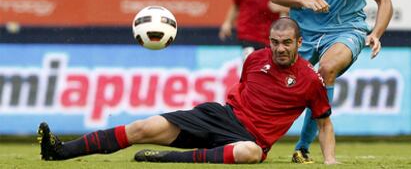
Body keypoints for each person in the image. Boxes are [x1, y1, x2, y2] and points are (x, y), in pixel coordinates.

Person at [37, 17, 337, 165]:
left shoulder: (311, 80)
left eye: (286, 43)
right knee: (142, 126)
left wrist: (330, 160)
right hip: (220, 116)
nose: (279, 48)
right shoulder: (256, 58)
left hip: (252, 139)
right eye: (275, 42)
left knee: (251, 153)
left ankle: (164, 159)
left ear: (299, 43)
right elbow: (243, 88)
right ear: (269, 40)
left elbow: (324, 123)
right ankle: (59, 151)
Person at [269, 0, 393, 164]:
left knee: (325, 71)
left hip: (345, 30)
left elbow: (384, 2)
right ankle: (247, 137)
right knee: (273, 87)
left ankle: (302, 147)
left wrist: (376, 33)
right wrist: (304, 1)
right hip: (302, 34)